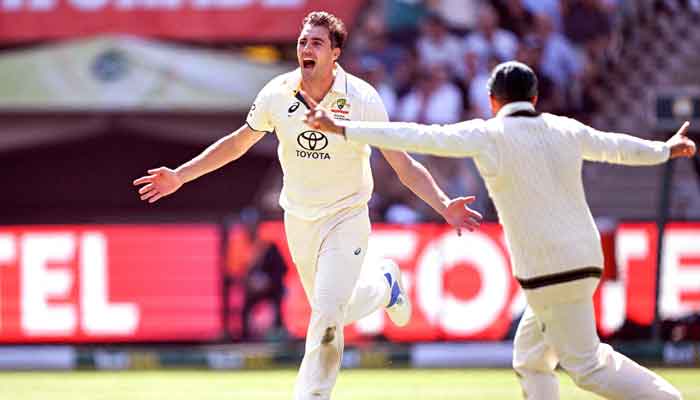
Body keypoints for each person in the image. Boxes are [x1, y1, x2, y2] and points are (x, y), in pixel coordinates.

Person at [132, 11, 481, 400]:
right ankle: (384, 286)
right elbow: (237, 143)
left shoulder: (362, 98)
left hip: (347, 215)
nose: (306, 49)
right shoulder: (277, 93)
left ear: (336, 53)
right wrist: (180, 175)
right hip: (299, 220)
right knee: (332, 312)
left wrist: (445, 204)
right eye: (302, 42)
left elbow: (402, 164)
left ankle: (312, 395)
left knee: (328, 315)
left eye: (316, 43)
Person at [302, 61, 695, 400]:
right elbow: (618, 147)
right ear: (535, 99)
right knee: (530, 359)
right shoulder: (565, 128)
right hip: (586, 261)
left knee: (587, 365)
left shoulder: (487, 134)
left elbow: (417, 135)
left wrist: (344, 129)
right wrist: (665, 149)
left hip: (547, 272)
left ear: (492, 101)